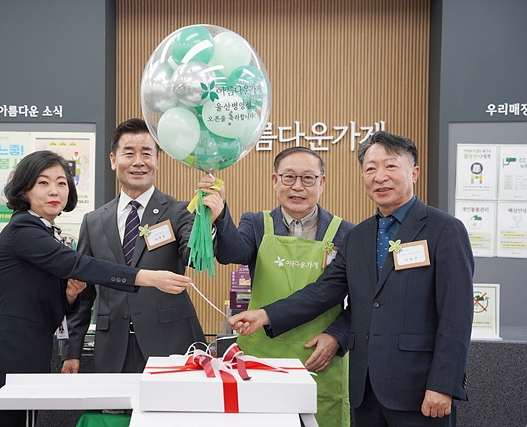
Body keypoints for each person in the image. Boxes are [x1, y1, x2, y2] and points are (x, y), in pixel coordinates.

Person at [229, 131, 474, 427]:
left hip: (420, 389)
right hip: (366, 391)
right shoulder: (358, 236)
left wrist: (444, 384)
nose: (380, 176)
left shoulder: (444, 229)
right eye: (370, 168)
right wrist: (265, 315)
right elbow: (323, 291)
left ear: (414, 172)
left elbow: (456, 315)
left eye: (390, 166)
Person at [0, 150, 192, 427]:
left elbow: (35, 300)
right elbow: (78, 264)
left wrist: (69, 295)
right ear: (24, 190)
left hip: (20, 370)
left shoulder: (44, 232)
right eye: (43, 183)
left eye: (61, 183)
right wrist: (147, 277)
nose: (54, 191)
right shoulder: (23, 230)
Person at [199, 146, 353, 427]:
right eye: (289, 177)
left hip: (319, 358)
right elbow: (233, 252)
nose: (298, 187)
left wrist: (337, 337)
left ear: (322, 182)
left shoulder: (346, 233)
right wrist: (220, 215)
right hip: (261, 356)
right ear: (274, 181)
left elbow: (359, 301)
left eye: (308, 178)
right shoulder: (257, 223)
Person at [60, 118, 207, 375]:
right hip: (112, 348)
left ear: (157, 160)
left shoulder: (179, 212)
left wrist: (208, 221)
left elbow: (195, 257)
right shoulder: (93, 222)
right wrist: (72, 351)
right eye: (129, 153)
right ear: (113, 160)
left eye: (146, 153)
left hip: (170, 343)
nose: (138, 161)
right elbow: (83, 294)